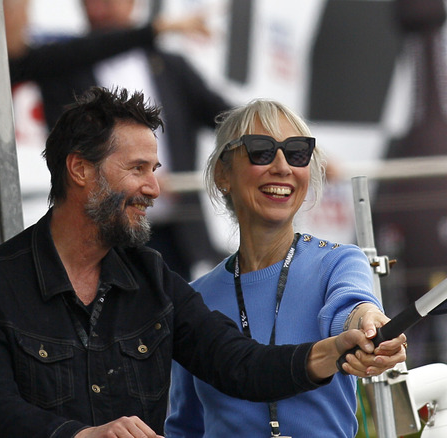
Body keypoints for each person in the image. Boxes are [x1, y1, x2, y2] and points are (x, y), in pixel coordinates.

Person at [0, 87, 406, 438]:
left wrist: (342, 343)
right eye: (138, 168)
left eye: (297, 153)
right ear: (80, 170)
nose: (154, 187)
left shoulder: (155, 281)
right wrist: (82, 436)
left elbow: (242, 365)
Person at [165, 99, 406, 437]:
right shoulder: (195, 296)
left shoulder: (338, 261)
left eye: (297, 153)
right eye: (260, 150)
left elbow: (350, 305)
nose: (282, 167)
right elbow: (184, 426)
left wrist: (368, 324)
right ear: (223, 174)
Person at [36, 0, 229, 280]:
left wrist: (279, 143)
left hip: (173, 234)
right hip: (104, 230)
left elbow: (226, 118)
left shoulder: (170, 66)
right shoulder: (64, 67)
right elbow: (66, 146)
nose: (99, 6)